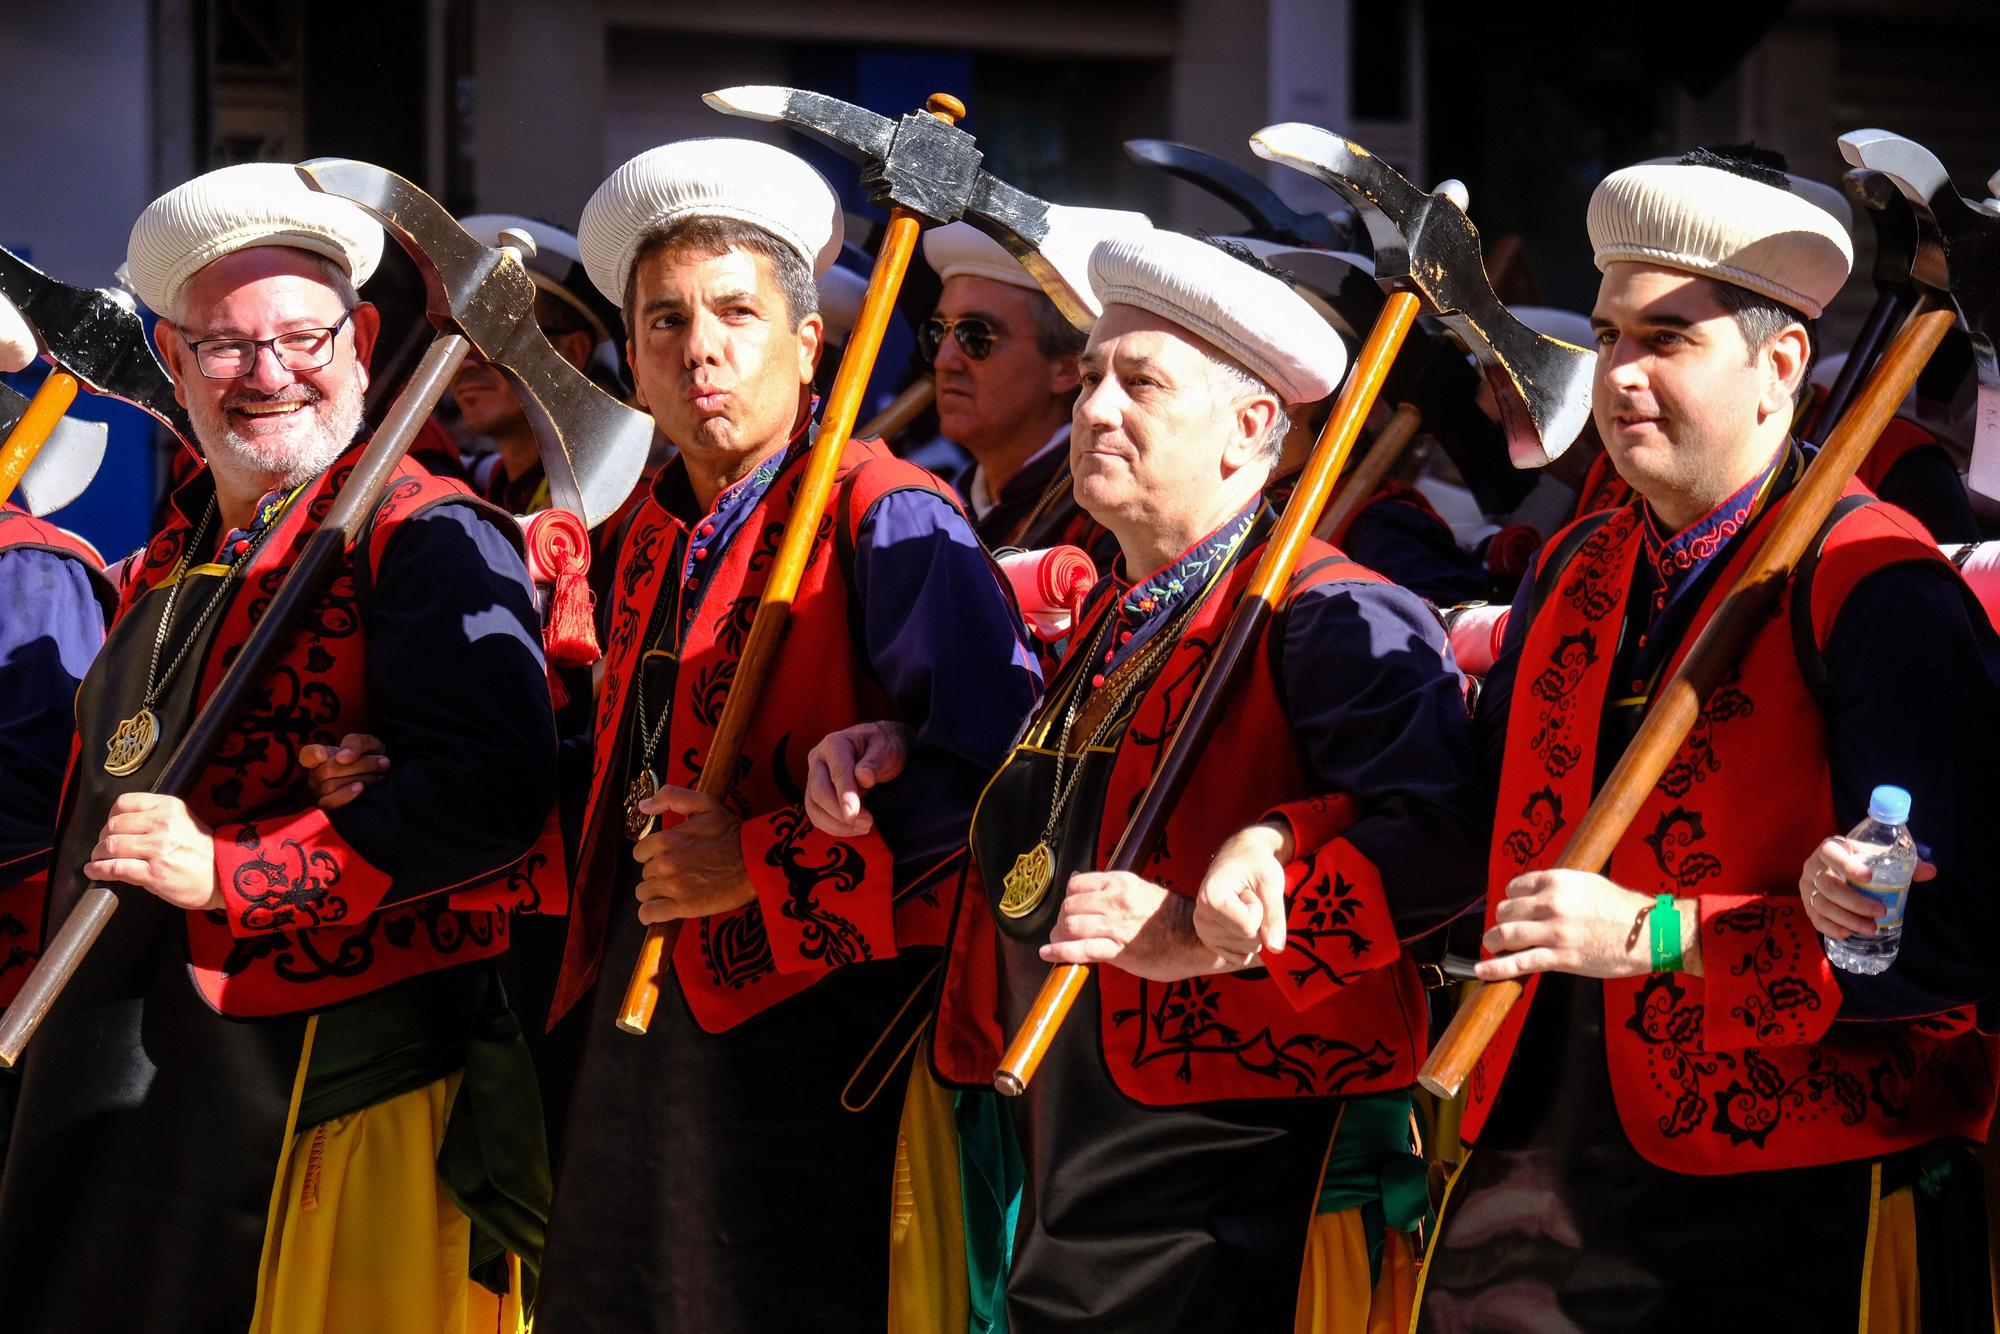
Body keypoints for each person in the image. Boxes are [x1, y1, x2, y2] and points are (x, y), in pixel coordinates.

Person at [822, 227, 1487, 1330]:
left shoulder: (1327, 611)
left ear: (1250, 429)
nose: (1091, 409)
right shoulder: (1121, 611)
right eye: (1087, 378)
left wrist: (1208, 921)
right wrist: (888, 750)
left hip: (1250, 1167)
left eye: (1139, 383)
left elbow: (1441, 838)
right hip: (1086, 1150)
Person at [1415, 148, 2000, 1331]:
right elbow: (1470, 828)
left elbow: (1957, 932)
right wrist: (1278, 849)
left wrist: (1661, 932)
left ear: (1778, 363)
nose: (1619, 372)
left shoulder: (1871, 583)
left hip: (1788, 1194)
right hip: (1528, 1171)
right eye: (1609, 333)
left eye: (1665, 338)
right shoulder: (1576, 568)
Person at [0, 162, 560, 1333]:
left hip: (327, 1100)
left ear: (359, 336)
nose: (264, 376)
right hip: (123, 1092)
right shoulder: (171, 554)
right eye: (222, 347)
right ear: (176, 357)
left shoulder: (431, 538)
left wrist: (233, 868)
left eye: (299, 337)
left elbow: (496, 793)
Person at [528, 137, 1039, 1333]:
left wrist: (755, 861)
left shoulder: (887, 513)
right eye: (662, 320)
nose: (697, 346)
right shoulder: (644, 532)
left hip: (827, 1033)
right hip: (646, 1019)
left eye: (735, 313)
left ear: (808, 346)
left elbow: (997, 789)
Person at [920, 208, 1146, 561]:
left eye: (974, 335)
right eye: (937, 332)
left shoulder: (1102, 522)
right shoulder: (938, 503)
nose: (943, 361)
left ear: (1067, 369)